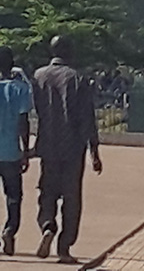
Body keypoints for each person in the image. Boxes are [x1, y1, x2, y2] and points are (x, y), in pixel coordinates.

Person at [32, 35, 102, 264]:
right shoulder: (78, 79)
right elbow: (87, 118)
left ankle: (47, 225)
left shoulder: (39, 76)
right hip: (73, 148)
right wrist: (94, 152)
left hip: (48, 146)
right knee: (72, 199)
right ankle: (64, 247)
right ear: (69, 51)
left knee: (47, 192)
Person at [0, 47, 31, 256]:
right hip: (11, 152)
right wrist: (26, 149)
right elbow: (24, 122)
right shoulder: (21, 89)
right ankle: (10, 230)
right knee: (14, 196)